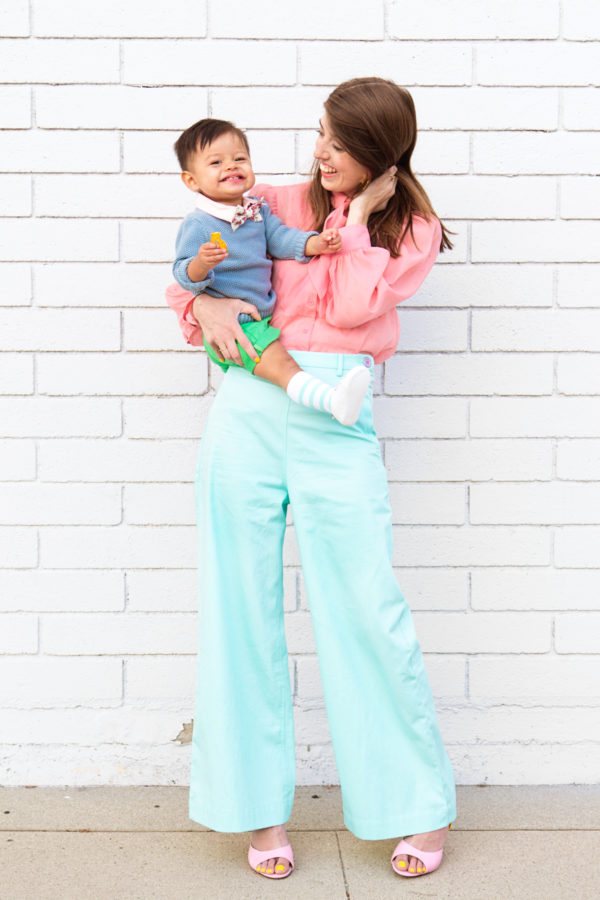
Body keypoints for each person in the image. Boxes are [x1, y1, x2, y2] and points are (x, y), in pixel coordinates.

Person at [166, 76, 457, 881]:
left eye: (339, 141)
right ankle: (257, 815)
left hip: (338, 419)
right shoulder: (275, 202)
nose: (321, 152)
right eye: (319, 135)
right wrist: (206, 313)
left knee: (367, 607)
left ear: (382, 150)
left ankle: (414, 804)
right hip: (248, 413)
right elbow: (189, 276)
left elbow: (360, 309)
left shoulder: (413, 228)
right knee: (240, 609)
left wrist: (358, 222)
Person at [172, 117, 371, 426]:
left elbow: (280, 239)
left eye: (240, 158)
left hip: (259, 317)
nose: (231, 166)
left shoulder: (257, 210)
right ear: (192, 181)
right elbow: (183, 274)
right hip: (236, 326)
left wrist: (315, 243)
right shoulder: (199, 224)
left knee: (277, 371)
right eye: (216, 162)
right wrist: (202, 263)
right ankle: (332, 401)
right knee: (285, 368)